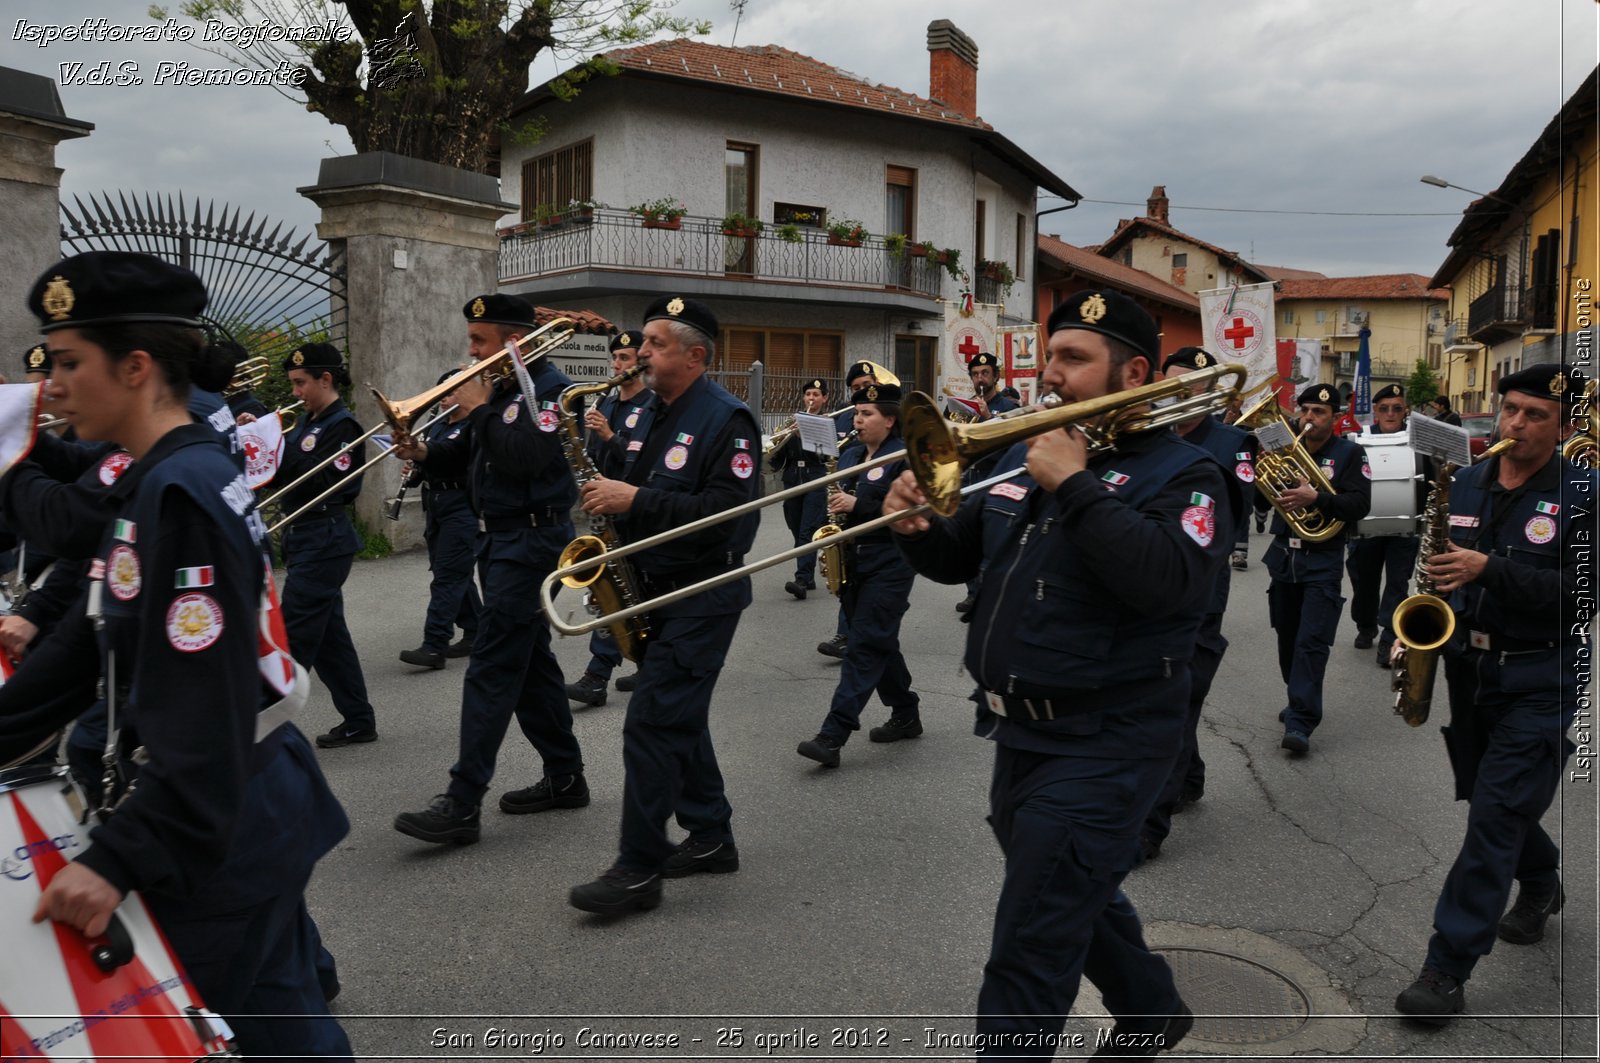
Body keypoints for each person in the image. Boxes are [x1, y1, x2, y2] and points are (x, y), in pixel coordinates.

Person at [16, 250, 352, 1056]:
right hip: (243, 811)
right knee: (287, 1022)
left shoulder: (182, 490)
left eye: (69, 363)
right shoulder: (159, 473)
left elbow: (207, 715)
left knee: (260, 1032)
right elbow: (87, 635)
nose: (49, 387)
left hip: (221, 828)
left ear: (135, 367)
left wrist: (116, 858)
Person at [882, 289, 1234, 1057]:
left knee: (1028, 946)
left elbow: (1171, 580)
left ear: (1133, 370)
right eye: (1051, 356)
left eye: (1074, 359)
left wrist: (1073, 485)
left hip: (1110, 739)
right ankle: (1149, 1008)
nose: (1051, 374)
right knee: (1069, 887)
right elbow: (960, 558)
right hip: (1019, 730)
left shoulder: (1187, 473)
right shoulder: (1022, 450)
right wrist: (915, 527)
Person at [1395, 364, 1591, 1025]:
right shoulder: (1468, 479)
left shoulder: (1585, 493)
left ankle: (1446, 967)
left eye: (1536, 415)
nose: (1517, 424)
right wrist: (1414, 624)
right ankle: (1539, 881)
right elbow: (1436, 565)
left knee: (1494, 816)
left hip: (1543, 673)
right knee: (1492, 799)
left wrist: (1492, 569)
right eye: (1511, 409)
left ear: (1562, 426)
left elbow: (1580, 598)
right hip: (1470, 670)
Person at [568, 295, 759, 915]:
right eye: (644, 343)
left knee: (652, 723)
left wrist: (635, 501)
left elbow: (728, 522)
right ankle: (710, 836)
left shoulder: (727, 420)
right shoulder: (646, 409)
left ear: (694, 355)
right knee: (678, 717)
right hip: (649, 587)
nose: (640, 353)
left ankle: (637, 868)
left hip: (701, 595)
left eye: (654, 343)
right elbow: (628, 480)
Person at [392, 293, 587, 846]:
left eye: (479, 341)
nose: (470, 350)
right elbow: (480, 454)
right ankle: (565, 776)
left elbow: (527, 457)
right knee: (530, 668)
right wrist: (427, 455)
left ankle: (462, 801)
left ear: (511, 342)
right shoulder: (501, 390)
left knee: (491, 668)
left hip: (532, 540)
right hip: (500, 538)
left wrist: (477, 409)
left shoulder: (553, 391)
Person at [1138, 346, 1250, 861]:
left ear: (1212, 391)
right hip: (1151, 579)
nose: (1180, 395)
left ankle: (1149, 824)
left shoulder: (1233, 442)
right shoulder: (1147, 437)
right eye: (1172, 385)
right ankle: (1191, 774)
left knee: (1176, 694)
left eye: (1193, 387)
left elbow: (1241, 511)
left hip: (1203, 582)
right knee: (1171, 690)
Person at [245, 342, 378, 748]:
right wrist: (258, 435)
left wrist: (273, 448)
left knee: (294, 637)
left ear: (326, 379)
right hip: (305, 537)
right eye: (292, 383)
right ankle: (359, 719)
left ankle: (257, 724)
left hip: (325, 536)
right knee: (331, 639)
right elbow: (281, 467)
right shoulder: (306, 421)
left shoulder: (343, 426)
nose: (295, 392)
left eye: (301, 383)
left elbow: (323, 482)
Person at [796, 381, 921, 768]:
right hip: (854, 558)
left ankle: (832, 735)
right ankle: (906, 712)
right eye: (856, 413)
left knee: (865, 643)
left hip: (892, 559)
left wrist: (858, 503)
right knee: (879, 640)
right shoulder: (850, 454)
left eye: (867, 414)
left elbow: (910, 509)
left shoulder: (905, 457)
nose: (858, 419)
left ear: (889, 419)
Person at [1263, 383, 1371, 755]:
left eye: (1319, 413)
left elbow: (1359, 504)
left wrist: (1317, 497)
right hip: (1283, 556)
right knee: (1287, 638)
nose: (1310, 418)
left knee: (1312, 641)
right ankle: (1298, 698)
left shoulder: (1350, 454)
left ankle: (1301, 720)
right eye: (1306, 410)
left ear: (1336, 417)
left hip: (1321, 559)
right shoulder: (1283, 447)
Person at [566, 330, 653, 704]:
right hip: (603, 509)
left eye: (625, 358)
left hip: (633, 509)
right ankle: (647, 666)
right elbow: (592, 456)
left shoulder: (651, 407)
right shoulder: (608, 401)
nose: (617, 365)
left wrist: (608, 435)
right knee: (616, 591)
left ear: (641, 362)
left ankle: (597, 676)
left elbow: (642, 462)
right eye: (615, 358)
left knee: (626, 590)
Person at [397, 370, 482, 670]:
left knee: (447, 576)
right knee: (454, 573)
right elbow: (429, 465)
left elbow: (450, 455)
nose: (443, 397)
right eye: (441, 391)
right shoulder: (437, 426)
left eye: (450, 391)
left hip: (462, 505)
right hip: (435, 505)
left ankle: (434, 644)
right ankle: (476, 630)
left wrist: (422, 451)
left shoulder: (473, 427)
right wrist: (415, 468)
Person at [1345, 384, 1424, 665]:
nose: (1391, 413)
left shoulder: (1418, 440)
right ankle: (1365, 625)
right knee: (1364, 585)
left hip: (1405, 530)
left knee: (1397, 585)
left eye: (1397, 408)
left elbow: (1428, 478)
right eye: (1384, 408)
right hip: (1365, 530)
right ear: (1375, 412)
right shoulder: (1356, 441)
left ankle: (1389, 638)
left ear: (1406, 411)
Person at [817, 360, 883, 659]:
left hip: (879, 529)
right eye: (856, 389)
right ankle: (848, 633)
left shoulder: (892, 419)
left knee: (875, 615)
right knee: (847, 577)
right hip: (849, 510)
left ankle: (854, 636)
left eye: (867, 386)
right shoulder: (844, 418)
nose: (861, 393)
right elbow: (833, 456)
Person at [769, 377, 831, 602]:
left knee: (807, 529)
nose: (811, 399)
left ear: (824, 398)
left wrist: (806, 435)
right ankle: (808, 572)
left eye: (816, 395)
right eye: (808, 395)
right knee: (795, 527)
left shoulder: (825, 423)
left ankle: (802, 579)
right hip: (792, 478)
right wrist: (778, 444)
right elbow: (778, 457)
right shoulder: (790, 422)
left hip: (815, 477)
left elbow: (826, 456)